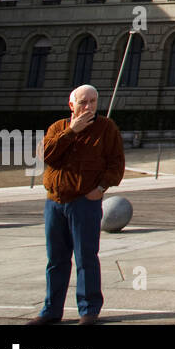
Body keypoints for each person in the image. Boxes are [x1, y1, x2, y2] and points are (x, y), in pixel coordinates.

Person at [28, 84, 126, 325]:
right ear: (71, 105)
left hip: (85, 202)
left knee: (86, 258)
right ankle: (51, 311)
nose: (89, 106)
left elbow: (116, 164)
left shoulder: (106, 129)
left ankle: (89, 311)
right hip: (55, 203)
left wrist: (101, 189)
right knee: (56, 260)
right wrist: (71, 131)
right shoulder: (58, 128)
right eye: (83, 101)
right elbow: (44, 155)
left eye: (93, 101)